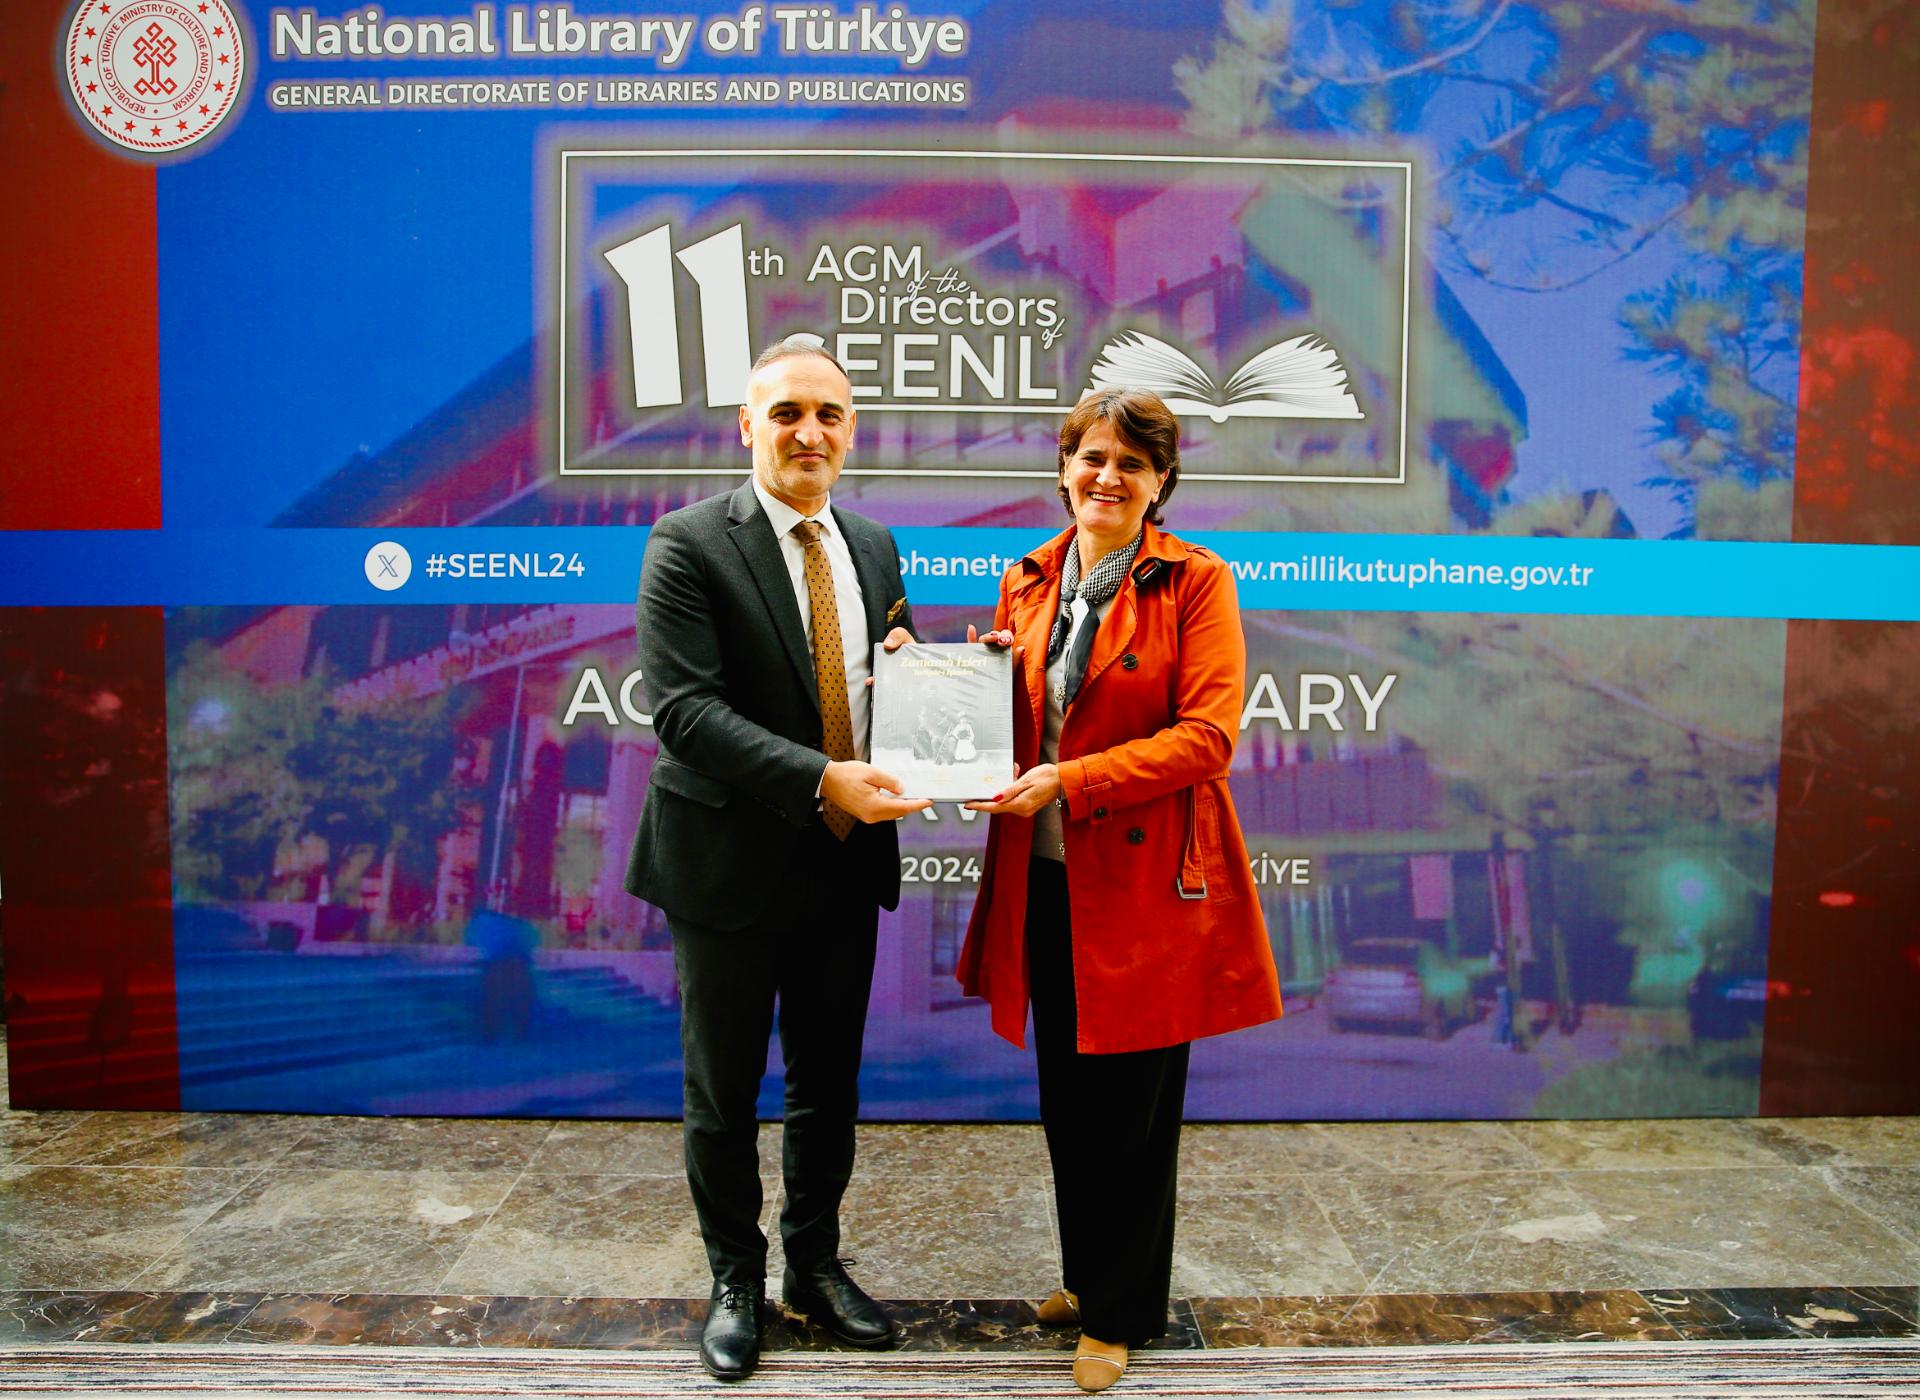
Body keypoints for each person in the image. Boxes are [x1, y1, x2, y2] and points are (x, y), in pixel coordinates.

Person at [958, 389, 1283, 1393]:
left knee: (1131, 1119)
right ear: (1064, 468)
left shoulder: (1197, 579)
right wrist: (951, 692)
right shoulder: (1027, 577)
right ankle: (1084, 1275)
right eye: (1092, 457)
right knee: (1067, 1100)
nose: (1107, 477)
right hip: (1047, 879)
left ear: (1160, 481)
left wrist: (1072, 779)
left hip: (1145, 887)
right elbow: (1018, 716)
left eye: (1131, 464)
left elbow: (1208, 737)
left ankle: (1121, 1310)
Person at [625, 336, 929, 1382]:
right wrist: (823, 776)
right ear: (748, 425)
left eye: (829, 414)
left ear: (851, 431)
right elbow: (685, 711)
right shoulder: (686, 542)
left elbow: (884, 679)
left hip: (844, 861)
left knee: (826, 1086)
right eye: (787, 412)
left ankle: (814, 1265)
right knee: (722, 1093)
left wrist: (935, 685)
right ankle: (734, 1279)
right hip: (726, 866)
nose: (809, 432)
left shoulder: (876, 545)